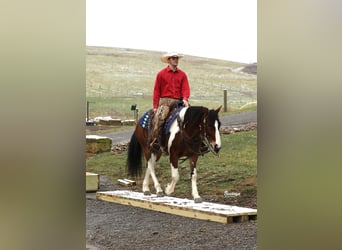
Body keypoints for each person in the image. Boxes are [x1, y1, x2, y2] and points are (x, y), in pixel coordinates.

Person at [150, 52, 190, 150]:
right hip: (165, 102)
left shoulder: (182, 74)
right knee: (159, 119)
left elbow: (186, 89)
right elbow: (156, 91)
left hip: (179, 102)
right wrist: (155, 106)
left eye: (176, 58)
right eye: (173, 58)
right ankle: (156, 140)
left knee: (192, 116)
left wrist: (185, 99)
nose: (176, 60)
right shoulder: (161, 74)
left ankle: (195, 142)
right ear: (169, 60)